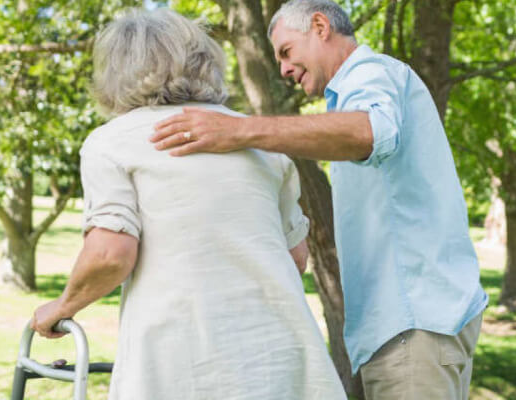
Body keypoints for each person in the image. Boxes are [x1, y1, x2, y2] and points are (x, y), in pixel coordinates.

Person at [149, 0, 488, 398]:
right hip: (414, 322)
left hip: (412, 324)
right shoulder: (353, 94)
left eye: (287, 52)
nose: (283, 70)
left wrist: (238, 132)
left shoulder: (370, 73)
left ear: (320, 26)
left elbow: (369, 132)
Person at [29, 8, 346, 400]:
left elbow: (111, 254)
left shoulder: (112, 142)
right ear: (205, 62)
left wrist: (62, 306)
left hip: (181, 361)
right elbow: (296, 258)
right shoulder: (261, 144)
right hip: (280, 358)